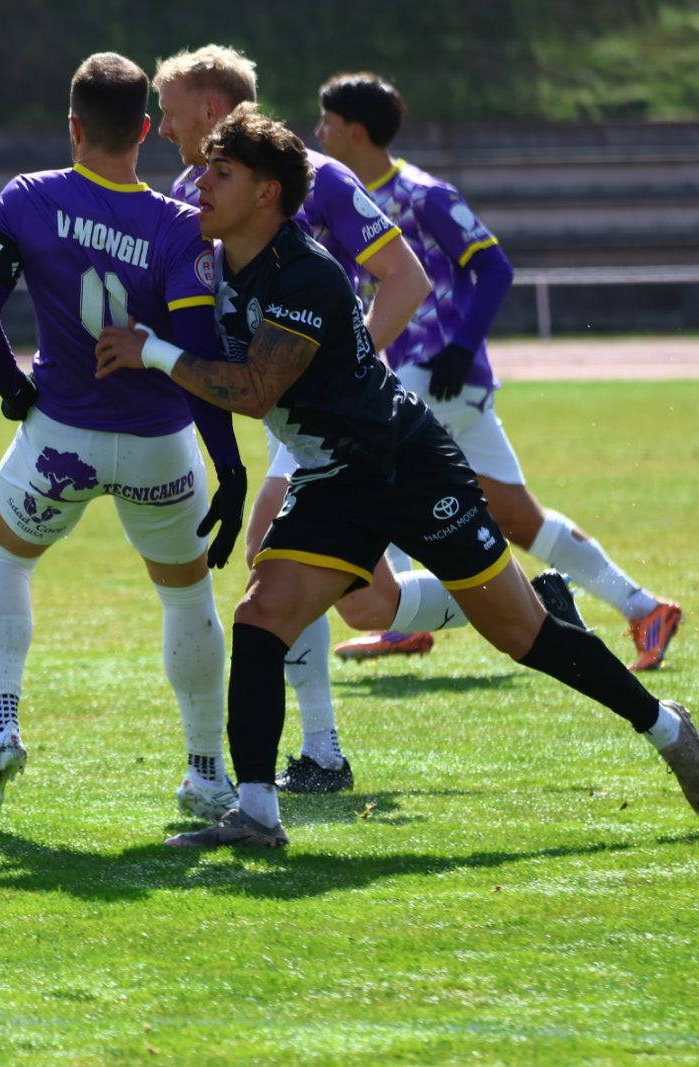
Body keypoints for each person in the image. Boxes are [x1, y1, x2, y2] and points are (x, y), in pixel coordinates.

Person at [93, 105, 699, 849]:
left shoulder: (306, 275)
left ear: (266, 193)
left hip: (405, 466)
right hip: (332, 475)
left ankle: (664, 726)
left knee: (522, 635)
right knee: (261, 618)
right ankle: (258, 814)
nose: (199, 185)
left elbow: (257, 390)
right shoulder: (214, 259)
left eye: (220, 173)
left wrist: (154, 352)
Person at [0, 52, 247, 821]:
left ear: (75, 127)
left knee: (5, 562)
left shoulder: (26, 198)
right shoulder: (182, 226)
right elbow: (199, 359)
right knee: (187, 597)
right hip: (160, 444)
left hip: (61, 436)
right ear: (144, 131)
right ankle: (206, 770)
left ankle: (0, 727)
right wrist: (229, 467)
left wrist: (16, 391)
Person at [314, 72, 683, 674]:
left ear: (355, 131)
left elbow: (495, 267)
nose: (318, 131)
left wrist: (461, 348)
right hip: (424, 374)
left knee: (372, 471)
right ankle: (645, 608)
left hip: (439, 371)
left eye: (327, 122)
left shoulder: (423, 194)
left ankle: (405, 617)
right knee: (517, 517)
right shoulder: (347, 199)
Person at [152, 44, 430, 792]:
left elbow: (406, 278)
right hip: (282, 411)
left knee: (270, 560)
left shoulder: (320, 177)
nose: (162, 127)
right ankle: (523, 602)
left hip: (330, 412)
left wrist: (334, 367)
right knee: (368, 601)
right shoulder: (193, 192)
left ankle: (321, 756)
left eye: (170, 112)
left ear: (211, 109)